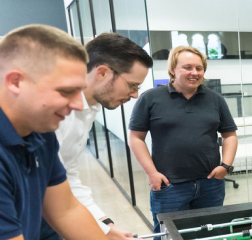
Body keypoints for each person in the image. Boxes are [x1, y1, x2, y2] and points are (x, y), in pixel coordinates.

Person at [39, 33, 153, 240]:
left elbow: (66, 174)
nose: (135, 94)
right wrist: (101, 232)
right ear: (102, 73)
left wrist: (105, 224)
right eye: (132, 85)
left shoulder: (89, 109)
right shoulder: (53, 113)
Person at [0, 24, 107, 239]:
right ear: (15, 82)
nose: (78, 104)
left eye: (79, 90)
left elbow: (66, 211)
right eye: (66, 91)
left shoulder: (40, 131)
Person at [129, 46, 238, 237]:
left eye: (199, 68)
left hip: (210, 184)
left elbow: (230, 135)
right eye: (187, 67)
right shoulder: (150, 98)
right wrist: (152, 173)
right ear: (172, 69)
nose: (194, 73)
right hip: (170, 186)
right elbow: (136, 138)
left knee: (211, 233)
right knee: (168, 235)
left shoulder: (215, 100)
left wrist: (225, 166)